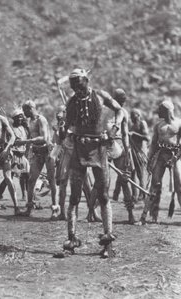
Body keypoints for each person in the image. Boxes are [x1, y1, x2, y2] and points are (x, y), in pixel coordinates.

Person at [62, 68, 123, 258]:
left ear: (86, 80)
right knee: (74, 197)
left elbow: (120, 111)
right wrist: (65, 130)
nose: (76, 89)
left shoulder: (101, 96)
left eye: (79, 85)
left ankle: (107, 241)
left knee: (103, 195)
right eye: (73, 86)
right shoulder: (72, 102)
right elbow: (67, 127)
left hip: (100, 149)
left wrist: (114, 128)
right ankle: (72, 238)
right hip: (79, 149)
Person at [92, 89, 136, 224]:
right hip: (103, 147)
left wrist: (127, 152)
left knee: (124, 179)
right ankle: (91, 212)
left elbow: (124, 134)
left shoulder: (122, 113)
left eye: (123, 101)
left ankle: (130, 214)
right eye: (120, 100)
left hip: (117, 148)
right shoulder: (103, 110)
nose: (121, 103)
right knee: (101, 181)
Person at [53, 105, 99, 221]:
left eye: (63, 112)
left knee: (86, 185)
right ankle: (62, 212)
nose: (60, 115)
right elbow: (59, 140)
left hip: (79, 155)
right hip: (66, 155)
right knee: (63, 184)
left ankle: (92, 212)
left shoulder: (78, 121)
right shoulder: (62, 124)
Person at [139, 99, 181, 224]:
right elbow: (153, 144)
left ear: (167, 111)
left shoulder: (179, 123)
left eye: (161, 110)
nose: (158, 113)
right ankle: (144, 217)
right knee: (154, 186)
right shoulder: (158, 125)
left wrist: (176, 157)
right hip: (161, 155)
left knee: (179, 187)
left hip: (175, 156)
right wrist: (149, 159)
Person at [20, 100, 59, 219]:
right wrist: (27, 151)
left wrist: (27, 142)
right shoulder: (30, 121)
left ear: (30, 108)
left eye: (25, 110)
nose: (24, 113)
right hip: (37, 153)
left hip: (47, 152)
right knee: (31, 180)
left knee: (52, 181)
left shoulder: (41, 119)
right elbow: (30, 136)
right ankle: (30, 208)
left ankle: (55, 210)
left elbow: (44, 137)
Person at [0, 108, 29, 208]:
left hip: (23, 156)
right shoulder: (11, 129)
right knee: (8, 179)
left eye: (21, 117)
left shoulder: (24, 128)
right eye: (18, 118)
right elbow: (10, 142)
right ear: (14, 119)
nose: (20, 119)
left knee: (28, 177)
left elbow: (26, 142)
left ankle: (30, 200)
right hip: (14, 155)